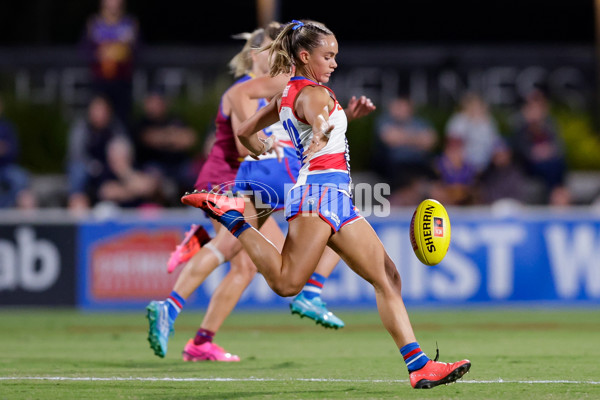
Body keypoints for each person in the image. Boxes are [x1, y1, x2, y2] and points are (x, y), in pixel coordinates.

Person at [182, 20, 471, 389]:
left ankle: (419, 366)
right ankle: (235, 220)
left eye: (335, 55)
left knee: (388, 276)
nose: (334, 63)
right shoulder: (315, 94)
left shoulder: (287, 94)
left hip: (333, 195)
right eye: (327, 56)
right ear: (305, 55)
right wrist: (318, 134)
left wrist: (271, 148)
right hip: (319, 193)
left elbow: (244, 132)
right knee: (288, 284)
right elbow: (316, 120)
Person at [145, 23, 347, 363]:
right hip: (228, 179)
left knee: (246, 266)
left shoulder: (272, 90)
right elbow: (243, 139)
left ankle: (201, 341)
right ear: (256, 55)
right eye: (273, 50)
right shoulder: (247, 89)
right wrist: (266, 141)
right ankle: (172, 303)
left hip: (245, 178)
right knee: (236, 245)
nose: (278, 57)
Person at [66, 94, 159, 211]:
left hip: (136, 219)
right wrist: (133, 189)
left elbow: (148, 187)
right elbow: (108, 192)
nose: (119, 156)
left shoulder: (132, 166)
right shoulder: (104, 171)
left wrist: (125, 172)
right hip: (113, 217)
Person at [80, 0, 140, 129]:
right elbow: (84, 51)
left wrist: (124, 52)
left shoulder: (130, 24)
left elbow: (139, 50)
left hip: (122, 82)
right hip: (99, 82)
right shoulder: (93, 24)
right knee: (98, 119)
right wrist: (100, 53)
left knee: (123, 121)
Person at [133, 89, 197, 206]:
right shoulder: (141, 123)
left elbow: (189, 139)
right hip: (153, 166)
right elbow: (149, 138)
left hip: (178, 165)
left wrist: (162, 137)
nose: (156, 105)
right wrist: (173, 136)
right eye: (152, 102)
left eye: (159, 102)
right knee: (152, 177)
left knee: (193, 173)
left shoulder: (176, 119)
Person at [372, 95, 437, 206]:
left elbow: (431, 141)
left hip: (419, 164)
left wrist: (402, 137)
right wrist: (417, 139)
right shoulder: (384, 121)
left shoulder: (420, 122)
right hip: (395, 166)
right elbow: (390, 138)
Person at [510, 89, 570, 205]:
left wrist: (547, 151)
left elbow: (560, 147)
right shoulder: (520, 125)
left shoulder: (550, 124)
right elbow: (520, 150)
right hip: (528, 165)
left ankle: (558, 196)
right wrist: (536, 152)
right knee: (551, 167)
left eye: (539, 107)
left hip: (549, 162)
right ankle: (557, 197)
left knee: (556, 164)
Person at [445, 92, 502, 174]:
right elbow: (452, 144)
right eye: (473, 105)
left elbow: (496, 142)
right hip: (463, 163)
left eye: (479, 105)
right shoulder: (459, 120)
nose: (476, 108)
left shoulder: (489, 121)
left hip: (487, 162)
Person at [0, 96, 36, 209]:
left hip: (5, 166)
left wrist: (5, 151)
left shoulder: (8, 127)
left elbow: (14, 151)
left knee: (20, 177)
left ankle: (5, 210)